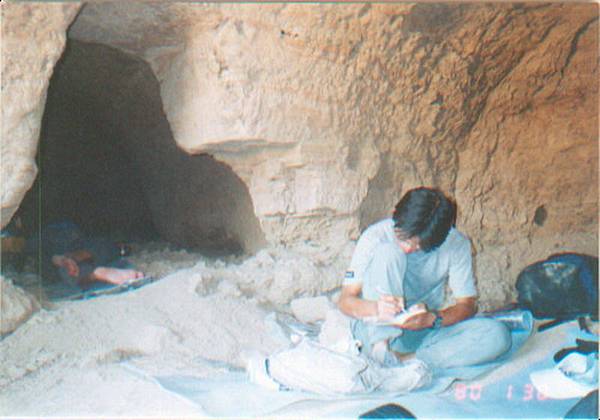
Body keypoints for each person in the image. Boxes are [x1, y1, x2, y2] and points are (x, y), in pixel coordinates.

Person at [338, 187, 511, 370]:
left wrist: (432, 318)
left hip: (419, 331)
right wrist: (376, 308)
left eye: (418, 247)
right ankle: (381, 352)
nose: (407, 249)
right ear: (395, 214)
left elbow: (467, 306)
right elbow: (345, 301)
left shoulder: (456, 244)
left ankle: (406, 360)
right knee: (388, 252)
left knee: (496, 335)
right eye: (403, 239)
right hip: (373, 332)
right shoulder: (375, 237)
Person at [29, 221, 144, 288]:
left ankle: (91, 271)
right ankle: (75, 261)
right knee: (97, 247)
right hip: (64, 238)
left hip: (59, 242)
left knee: (58, 268)